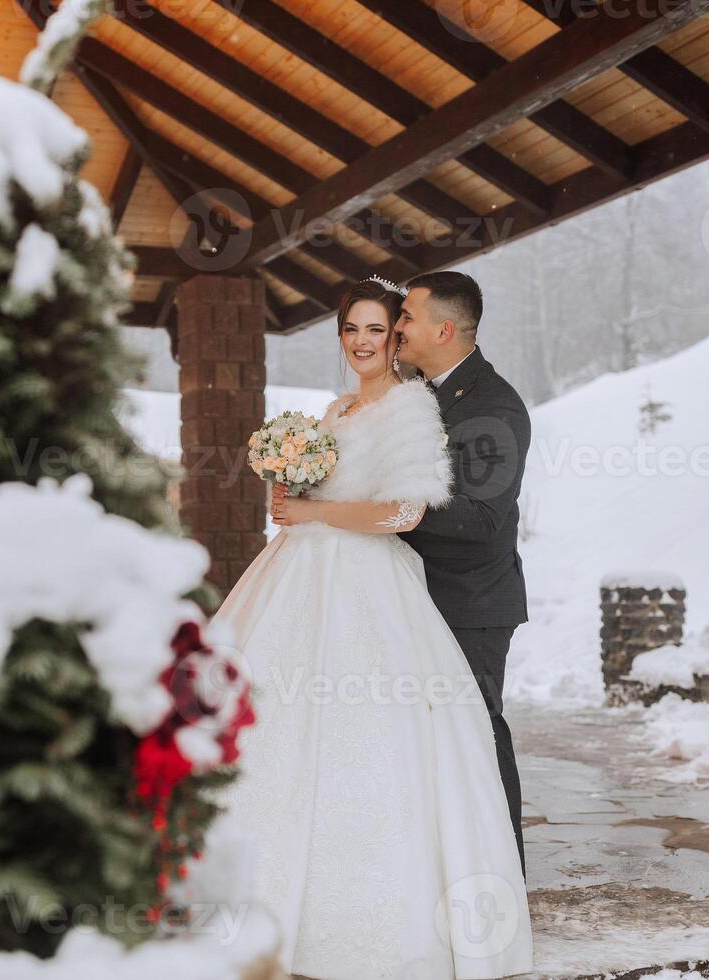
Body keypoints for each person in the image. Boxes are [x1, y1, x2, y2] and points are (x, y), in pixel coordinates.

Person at [212, 276, 533, 979]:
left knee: (444, 743)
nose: (366, 341)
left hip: (425, 591)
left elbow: (409, 511)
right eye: (350, 329)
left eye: (384, 326)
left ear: (404, 336)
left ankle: (466, 895)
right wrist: (293, 488)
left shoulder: (435, 406)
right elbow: (340, 492)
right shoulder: (335, 408)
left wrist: (319, 514)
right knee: (284, 727)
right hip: (308, 576)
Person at [394, 271, 533, 877]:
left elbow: (478, 520)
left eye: (406, 318)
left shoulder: (494, 405)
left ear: (443, 329)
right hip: (414, 597)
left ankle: (504, 878)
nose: (398, 328)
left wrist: (384, 511)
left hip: (470, 604)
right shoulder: (423, 393)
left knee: (477, 735)